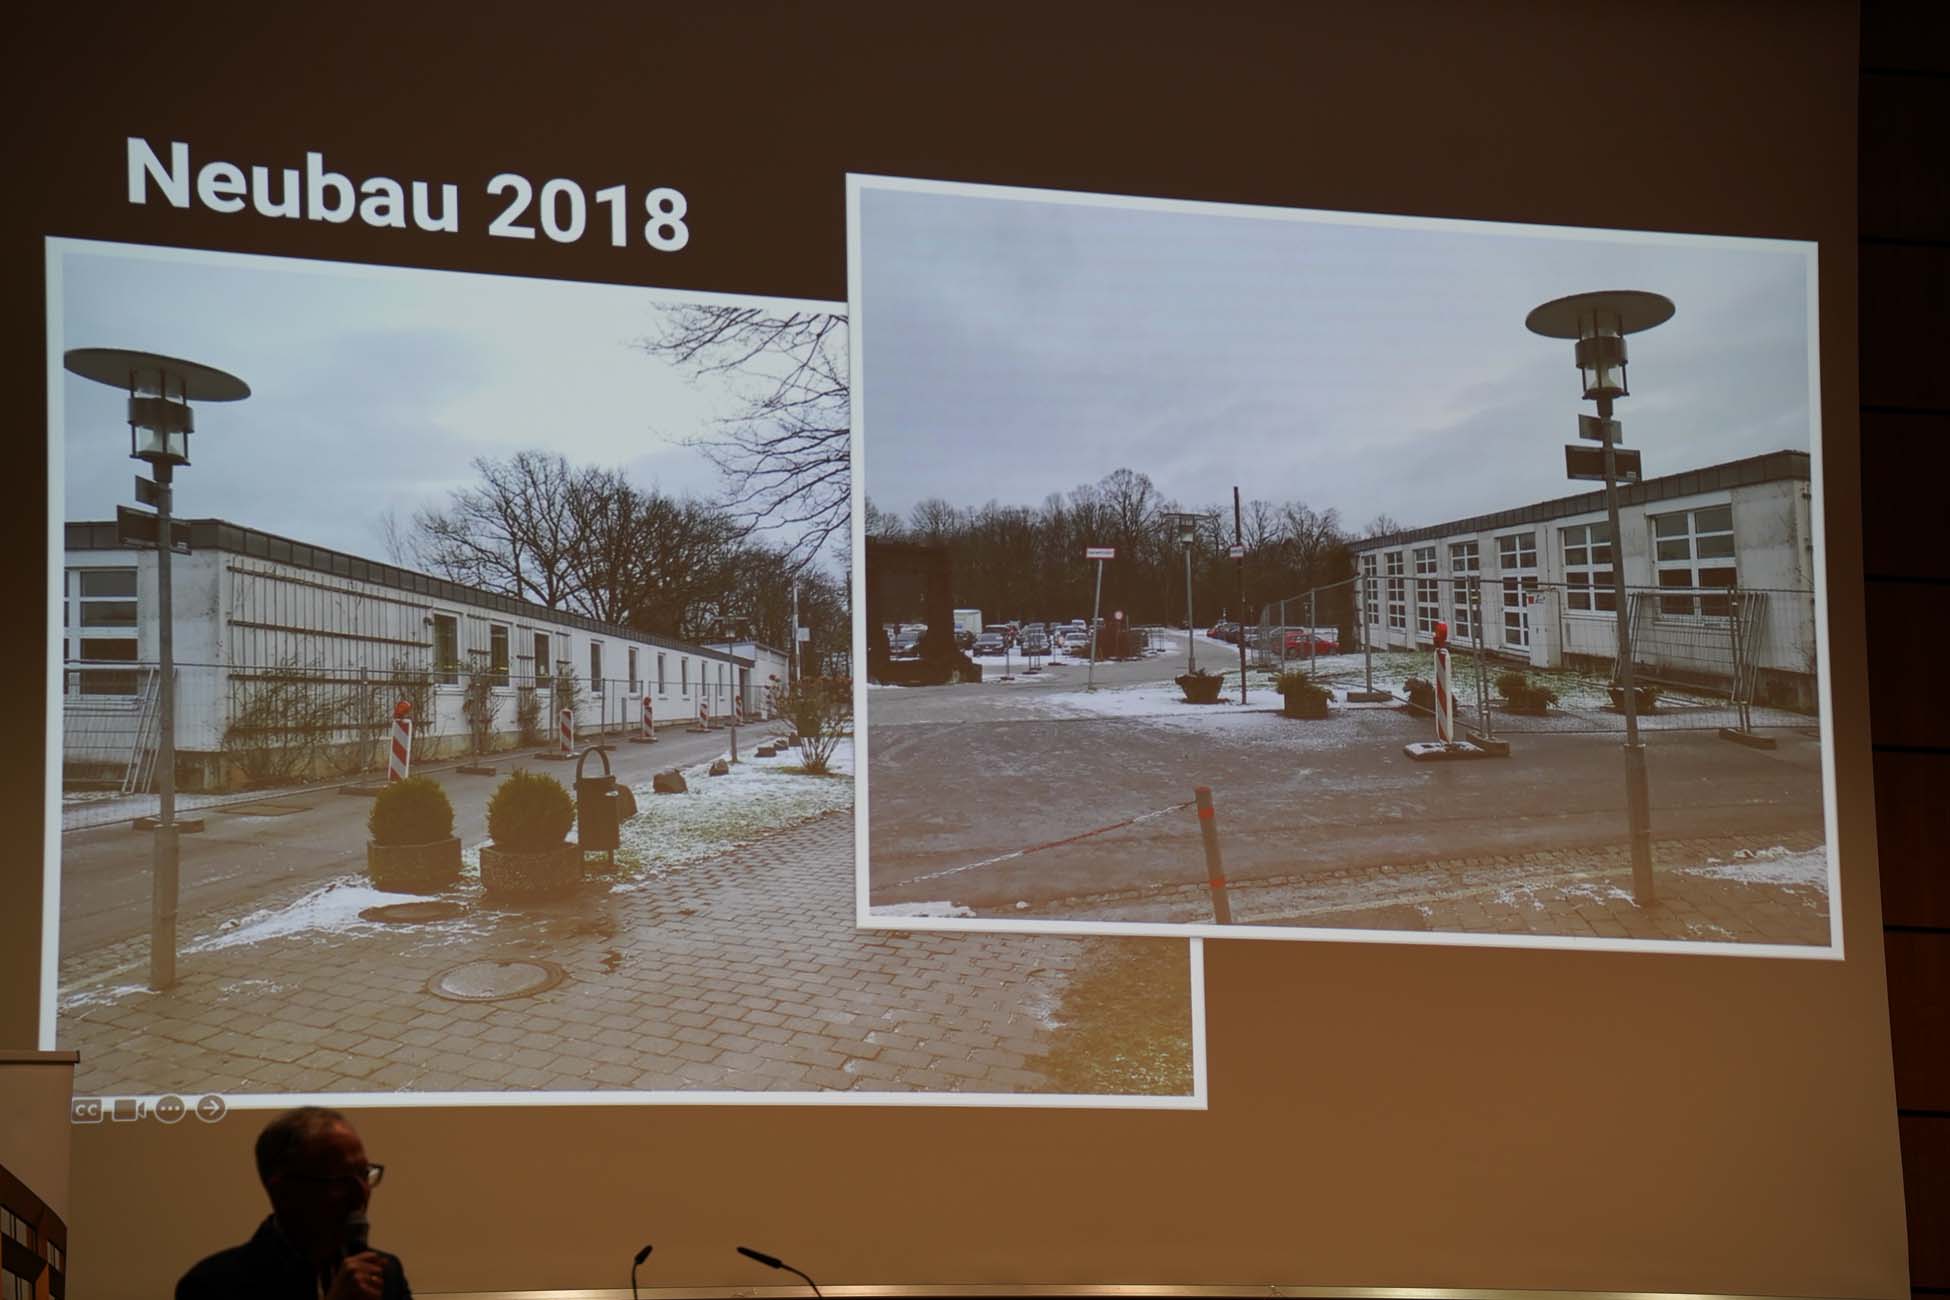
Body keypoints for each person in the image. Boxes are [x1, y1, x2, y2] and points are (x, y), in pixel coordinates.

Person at [176, 1106, 411, 1300]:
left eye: (363, 1174)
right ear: (283, 1191)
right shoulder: (212, 1285)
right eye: (340, 1180)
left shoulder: (385, 1273)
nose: (361, 1193)